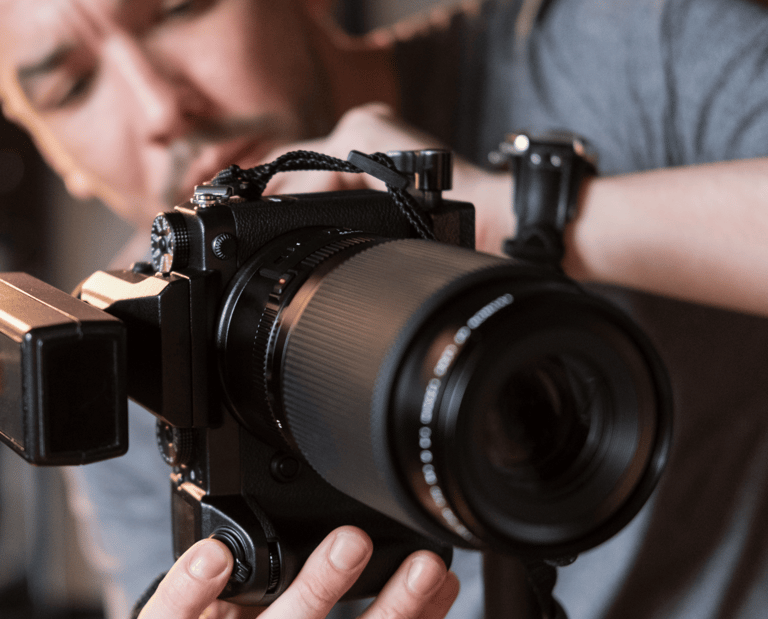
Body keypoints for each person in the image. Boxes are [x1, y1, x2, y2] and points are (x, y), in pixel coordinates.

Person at [2, 0, 768, 618]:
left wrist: (515, 216)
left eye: (180, 9)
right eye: (71, 88)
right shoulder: (133, 348)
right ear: (55, 157)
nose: (161, 106)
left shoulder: (631, 50)